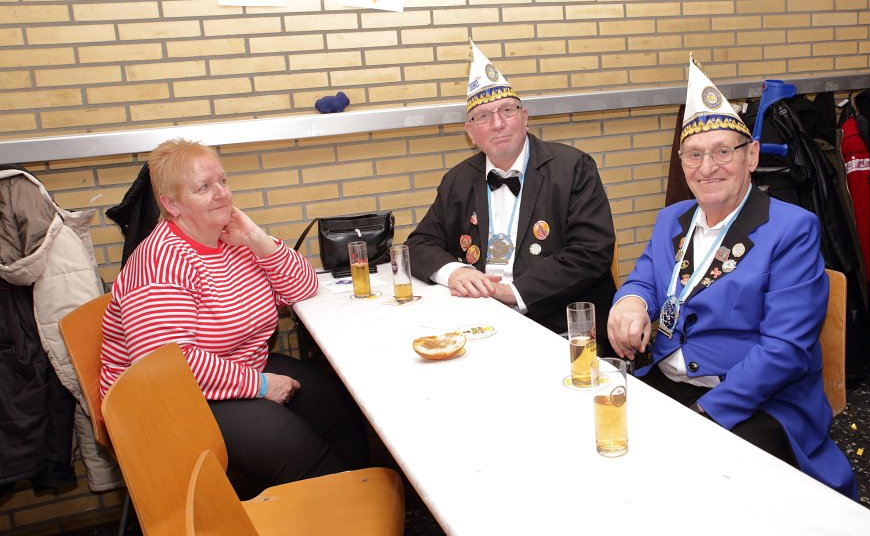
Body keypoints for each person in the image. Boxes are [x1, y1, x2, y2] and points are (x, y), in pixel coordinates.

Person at [608, 56, 857, 499]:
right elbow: (644, 278)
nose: (707, 167)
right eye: (694, 155)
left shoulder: (792, 229)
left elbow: (784, 350)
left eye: (723, 151)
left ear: (752, 156)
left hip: (755, 397)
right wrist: (631, 300)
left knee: (686, 481)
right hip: (667, 379)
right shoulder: (672, 219)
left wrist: (705, 414)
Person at [99, 139, 369, 496]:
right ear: (171, 204)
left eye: (223, 181)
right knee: (295, 446)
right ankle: (341, 507)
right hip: (174, 401)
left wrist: (257, 239)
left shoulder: (230, 240)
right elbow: (168, 364)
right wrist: (260, 386)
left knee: (339, 406)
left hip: (238, 368)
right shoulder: (160, 262)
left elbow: (303, 288)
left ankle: (366, 500)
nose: (222, 194)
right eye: (203, 187)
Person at [407, 41, 617, 337]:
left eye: (507, 110)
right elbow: (418, 245)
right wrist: (455, 272)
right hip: (479, 319)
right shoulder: (458, 180)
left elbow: (591, 252)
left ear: (524, 117)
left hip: (558, 325)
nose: (498, 124)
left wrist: (513, 292)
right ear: (470, 132)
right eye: (483, 116)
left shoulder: (573, 168)